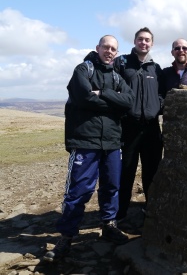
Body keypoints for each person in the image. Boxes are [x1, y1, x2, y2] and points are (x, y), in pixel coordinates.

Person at [44, 35, 134, 262]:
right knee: (78, 191)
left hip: (112, 142)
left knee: (111, 187)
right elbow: (83, 98)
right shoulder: (84, 69)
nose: (110, 51)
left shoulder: (116, 75)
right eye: (106, 47)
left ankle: (109, 225)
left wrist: (103, 94)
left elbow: (129, 101)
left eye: (114, 49)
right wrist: (114, 105)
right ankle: (66, 236)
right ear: (98, 48)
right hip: (85, 140)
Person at [113, 27, 164, 221]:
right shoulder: (122, 63)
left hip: (151, 127)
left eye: (147, 40)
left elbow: (162, 94)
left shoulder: (155, 68)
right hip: (128, 127)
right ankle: (119, 214)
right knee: (126, 171)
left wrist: (157, 106)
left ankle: (151, 210)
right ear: (134, 41)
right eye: (140, 39)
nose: (144, 43)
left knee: (152, 172)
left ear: (152, 44)